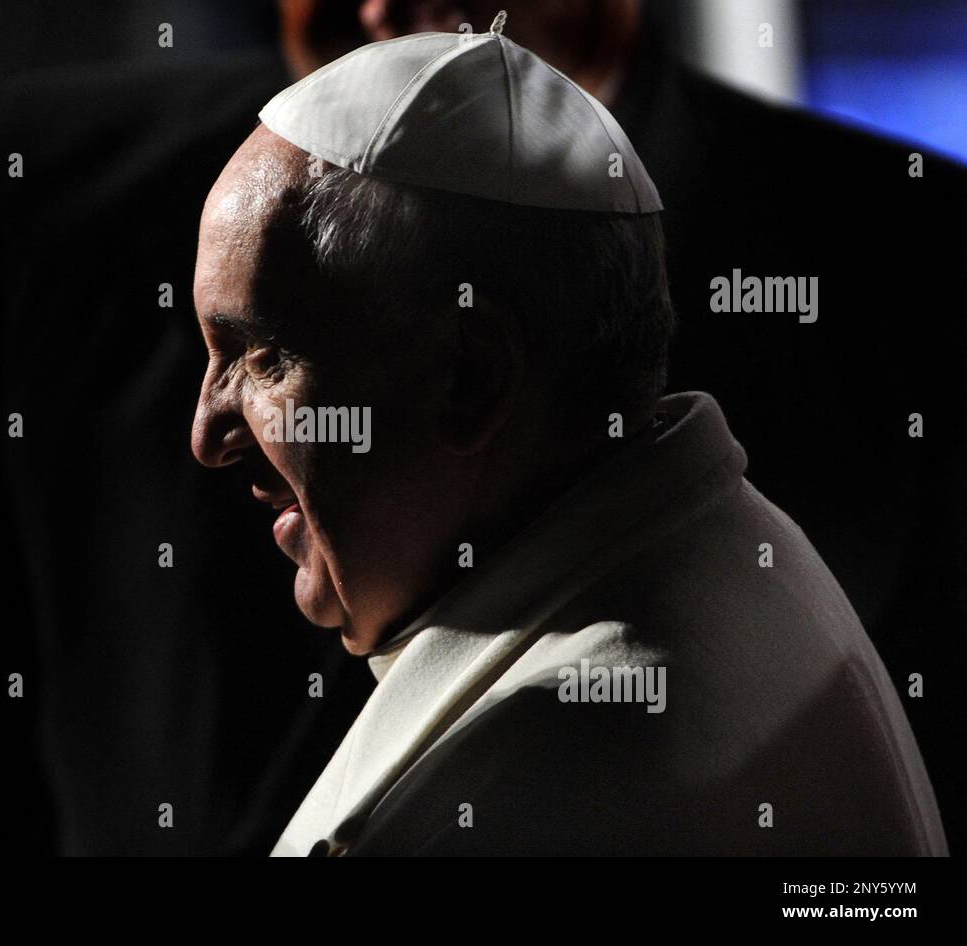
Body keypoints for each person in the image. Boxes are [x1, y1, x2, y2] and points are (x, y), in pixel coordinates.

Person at [190, 26, 947, 856]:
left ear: (470, 383)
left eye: (262, 358)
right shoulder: (736, 547)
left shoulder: (502, 802)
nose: (208, 434)